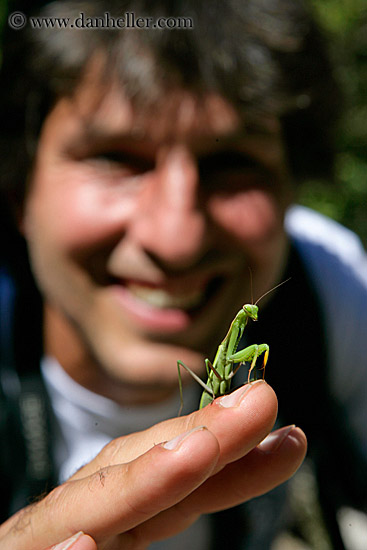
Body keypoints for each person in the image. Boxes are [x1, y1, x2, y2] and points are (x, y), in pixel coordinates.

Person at [0, 1, 366, 549]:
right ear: (16, 185)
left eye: (231, 162)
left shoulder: (335, 289)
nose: (176, 240)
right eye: (118, 156)